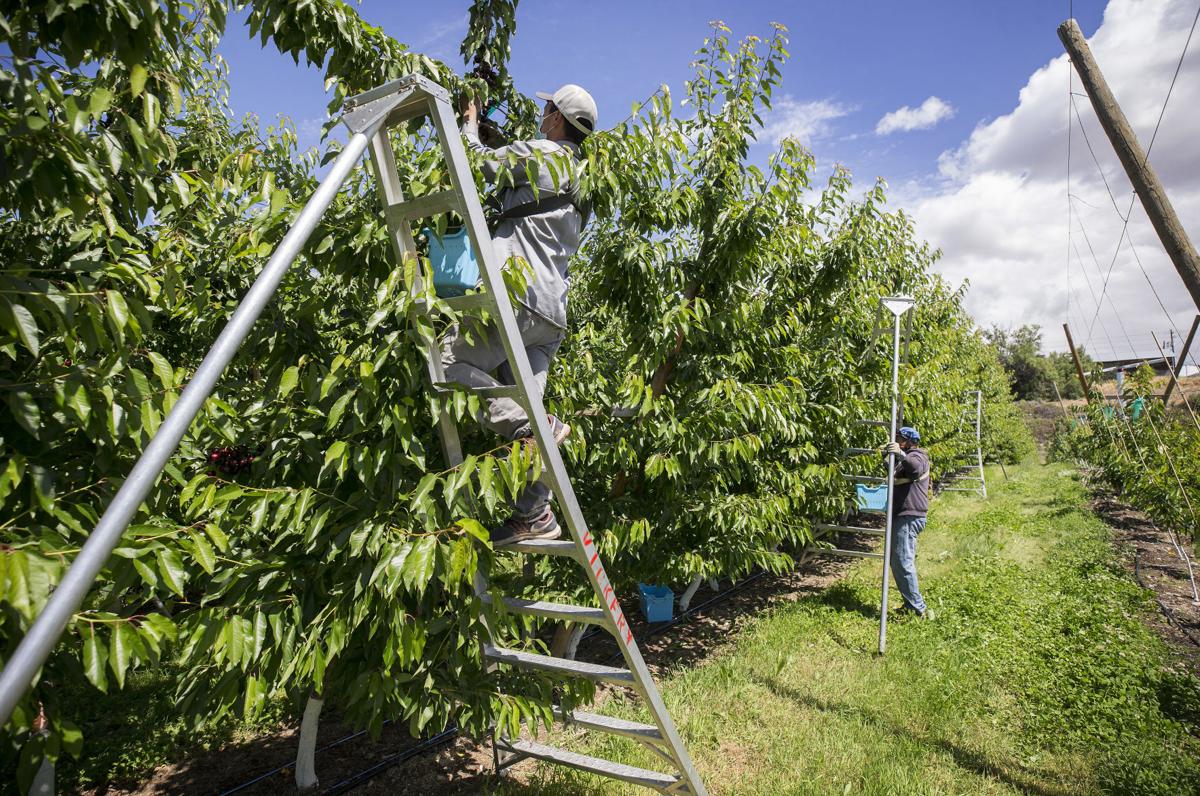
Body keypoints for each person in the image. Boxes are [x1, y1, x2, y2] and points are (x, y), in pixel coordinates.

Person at [440, 84, 598, 546]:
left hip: (518, 295)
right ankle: (535, 514)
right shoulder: (582, 176)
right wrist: (499, 142)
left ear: (555, 116)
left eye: (545, 107)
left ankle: (537, 427)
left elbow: (472, 162)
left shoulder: (541, 152)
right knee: (525, 408)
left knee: (446, 364)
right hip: (552, 313)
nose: (540, 113)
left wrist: (470, 122)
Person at [884, 426, 932, 619]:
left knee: (903, 561)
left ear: (910, 441)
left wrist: (901, 453)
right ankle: (910, 604)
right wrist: (886, 457)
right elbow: (893, 474)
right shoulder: (904, 458)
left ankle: (917, 609)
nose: (897, 440)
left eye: (900, 438)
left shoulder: (918, 455)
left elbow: (914, 467)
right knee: (897, 561)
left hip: (909, 516)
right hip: (903, 515)